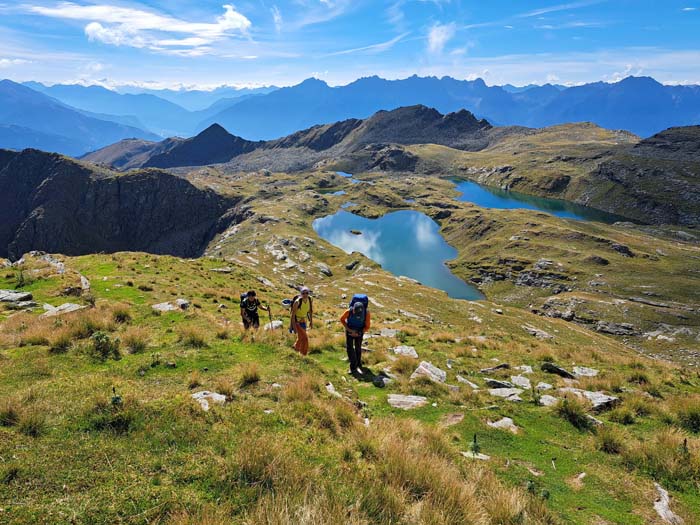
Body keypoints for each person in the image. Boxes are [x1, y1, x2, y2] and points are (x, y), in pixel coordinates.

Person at [340, 301, 370, 375]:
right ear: (353, 309)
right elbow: (342, 319)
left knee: (358, 347)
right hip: (349, 329)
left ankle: (359, 365)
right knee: (349, 347)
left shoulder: (366, 313)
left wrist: (359, 332)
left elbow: (367, 326)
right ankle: (353, 367)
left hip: (359, 330)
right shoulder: (348, 312)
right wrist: (349, 330)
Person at [290, 287, 313, 355]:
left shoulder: (310, 299)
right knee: (305, 338)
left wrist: (311, 322)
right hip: (297, 322)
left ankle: (295, 349)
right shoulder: (297, 302)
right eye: (303, 293)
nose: (305, 294)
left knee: (300, 338)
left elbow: (310, 311)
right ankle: (303, 354)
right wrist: (293, 327)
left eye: (307, 293)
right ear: (301, 294)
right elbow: (292, 315)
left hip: (304, 321)